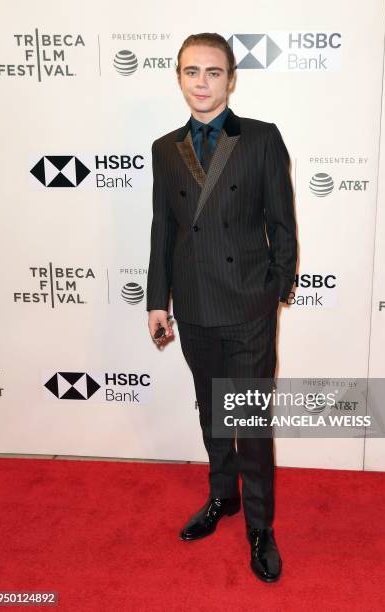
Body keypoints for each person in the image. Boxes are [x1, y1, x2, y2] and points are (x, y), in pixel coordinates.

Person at [147, 32, 297, 583]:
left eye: (213, 72)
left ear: (231, 80)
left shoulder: (259, 139)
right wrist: (156, 301)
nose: (202, 83)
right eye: (191, 72)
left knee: (251, 422)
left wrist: (274, 290)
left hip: (248, 307)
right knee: (213, 413)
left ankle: (259, 526)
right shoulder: (165, 148)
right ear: (179, 78)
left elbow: (281, 223)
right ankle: (222, 498)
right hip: (194, 305)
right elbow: (164, 229)